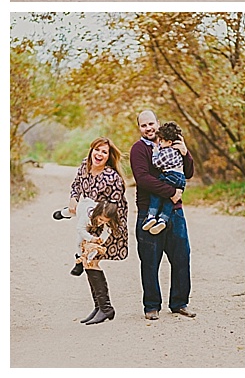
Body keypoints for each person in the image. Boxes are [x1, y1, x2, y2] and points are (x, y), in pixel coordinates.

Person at [55, 136, 128, 325]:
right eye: (97, 149)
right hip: (90, 221)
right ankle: (99, 307)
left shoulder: (111, 177)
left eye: (104, 152)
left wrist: (101, 231)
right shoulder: (84, 166)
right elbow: (76, 185)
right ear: (91, 150)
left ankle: (106, 308)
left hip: (107, 226)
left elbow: (116, 208)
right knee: (88, 262)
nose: (99, 154)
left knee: (92, 262)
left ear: (108, 156)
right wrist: (73, 197)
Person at [130, 109, 195, 320]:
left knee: (182, 257)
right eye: (143, 125)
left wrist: (186, 153)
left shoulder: (173, 142)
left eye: (151, 124)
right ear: (139, 128)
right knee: (150, 261)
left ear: (158, 123)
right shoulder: (138, 149)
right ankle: (151, 306)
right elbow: (143, 178)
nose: (148, 128)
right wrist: (172, 192)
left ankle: (179, 303)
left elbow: (189, 173)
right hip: (148, 210)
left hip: (175, 212)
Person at [141, 122, 188, 236]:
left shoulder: (166, 151)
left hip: (171, 175)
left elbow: (157, 163)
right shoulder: (177, 150)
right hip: (180, 179)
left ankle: (151, 216)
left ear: (169, 142)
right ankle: (163, 219)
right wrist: (173, 192)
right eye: (143, 125)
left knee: (156, 193)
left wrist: (155, 153)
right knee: (170, 199)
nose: (160, 143)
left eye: (161, 141)